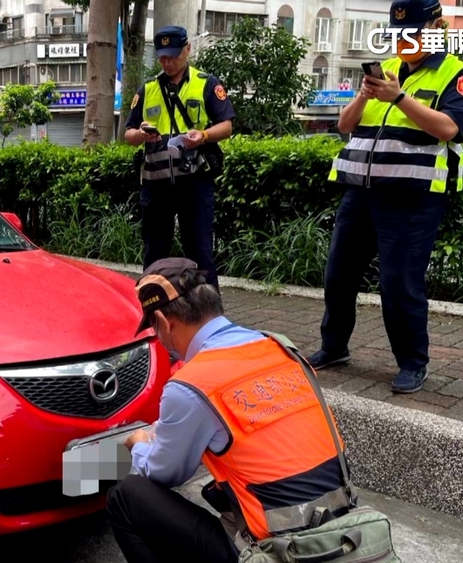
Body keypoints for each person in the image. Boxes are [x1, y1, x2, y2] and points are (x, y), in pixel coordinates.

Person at [107, 257, 354, 563]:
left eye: (155, 328)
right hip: (342, 533)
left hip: (281, 552)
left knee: (126, 496)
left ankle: (80, 476)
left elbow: (166, 472)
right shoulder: (282, 349)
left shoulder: (191, 384)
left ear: (164, 321)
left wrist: (139, 445)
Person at [307, 0, 463, 394]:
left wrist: (400, 98)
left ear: (438, 26)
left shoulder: (459, 72)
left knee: (400, 282)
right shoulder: (386, 70)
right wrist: (367, 95)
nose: (406, 41)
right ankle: (333, 347)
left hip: (412, 197)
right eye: (399, 34)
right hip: (361, 192)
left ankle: (412, 362)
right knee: (338, 275)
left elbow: (450, 129)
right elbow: (344, 125)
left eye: (415, 33)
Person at [124, 25, 236, 290]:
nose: (168, 62)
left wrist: (204, 136)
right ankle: (153, 313)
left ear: (187, 49)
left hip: (194, 182)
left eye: (173, 56)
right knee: (154, 255)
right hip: (156, 185)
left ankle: (209, 319)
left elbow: (227, 125)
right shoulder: (149, 88)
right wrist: (141, 134)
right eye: (163, 57)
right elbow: (128, 133)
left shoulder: (206, 83)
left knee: (200, 254)